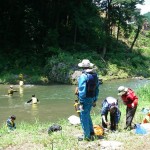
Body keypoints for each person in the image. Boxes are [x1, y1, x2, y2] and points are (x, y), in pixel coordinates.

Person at [77, 59, 99, 141]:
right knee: (87, 114)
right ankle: (91, 132)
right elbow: (97, 89)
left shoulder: (83, 76)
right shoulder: (94, 75)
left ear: (82, 67)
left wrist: (81, 101)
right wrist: (95, 99)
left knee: (83, 117)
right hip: (92, 98)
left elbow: (82, 90)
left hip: (85, 99)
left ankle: (86, 136)